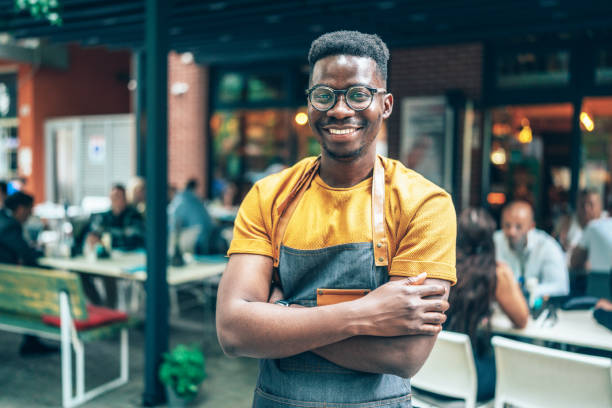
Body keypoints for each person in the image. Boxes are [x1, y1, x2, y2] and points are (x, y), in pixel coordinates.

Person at [216, 31, 456, 408]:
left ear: (386, 104)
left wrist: (282, 317)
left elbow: (406, 356)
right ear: (310, 104)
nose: (340, 110)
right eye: (324, 95)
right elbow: (233, 331)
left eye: (359, 94)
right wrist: (368, 313)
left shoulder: (424, 204)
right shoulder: (269, 195)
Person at [445, 208, 528, 401]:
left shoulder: (442, 266)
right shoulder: (495, 273)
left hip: (432, 374)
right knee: (515, 369)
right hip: (469, 380)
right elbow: (521, 320)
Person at [0, 191, 56, 355]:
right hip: (5, 284)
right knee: (37, 285)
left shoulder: (3, 219)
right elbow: (25, 253)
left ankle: (32, 340)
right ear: (20, 209)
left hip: (5, 277)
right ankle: (31, 342)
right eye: (29, 210)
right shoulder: (10, 225)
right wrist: (42, 254)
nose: (30, 215)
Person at [82, 184, 145, 307]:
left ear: (125, 198)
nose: (115, 200)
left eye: (118, 197)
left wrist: (107, 236)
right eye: (112, 197)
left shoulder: (133, 215)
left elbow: (132, 238)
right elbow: (95, 232)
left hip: (128, 259)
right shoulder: (105, 216)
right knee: (81, 273)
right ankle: (99, 305)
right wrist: (95, 237)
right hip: (107, 259)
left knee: (109, 275)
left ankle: (111, 309)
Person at [494, 200, 569, 300]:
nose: (512, 232)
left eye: (518, 226)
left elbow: (561, 287)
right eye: (507, 225)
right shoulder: (494, 242)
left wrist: (530, 290)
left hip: (540, 309)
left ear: (531, 227)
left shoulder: (547, 247)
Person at [168, 178, 215, 254]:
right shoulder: (195, 198)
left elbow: (174, 223)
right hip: (208, 234)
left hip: (196, 237)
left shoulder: (179, 200)